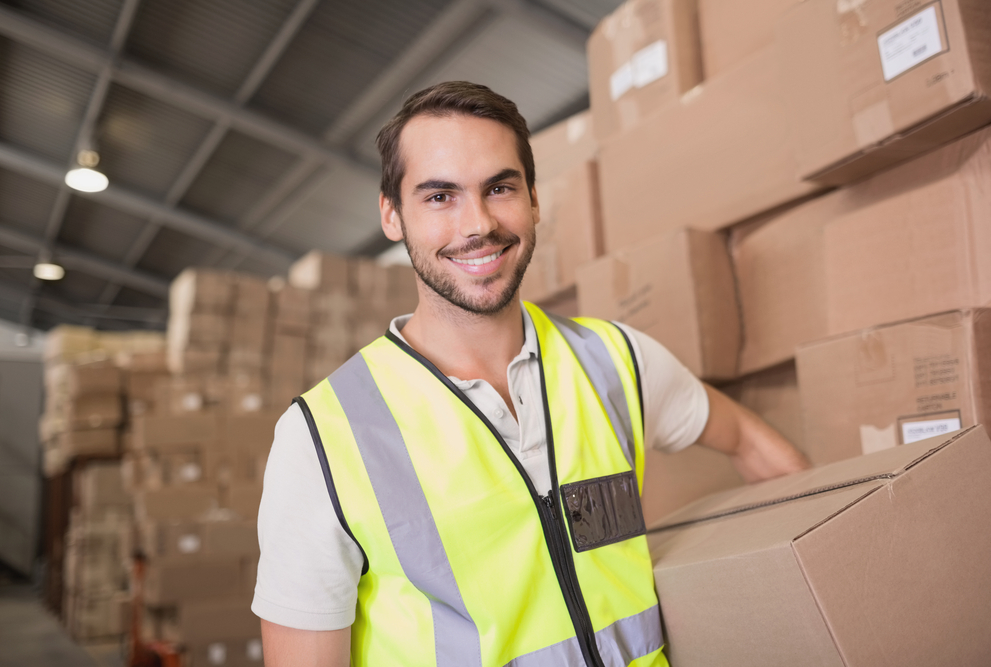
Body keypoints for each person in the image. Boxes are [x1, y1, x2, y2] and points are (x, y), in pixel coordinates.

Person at [253, 81, 809, 667]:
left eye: (500, 188)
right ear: (392, 216)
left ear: (535, 200)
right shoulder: (323, 435)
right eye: (440, 197)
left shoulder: (614, 360)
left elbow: (746, 438)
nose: (479, 224)